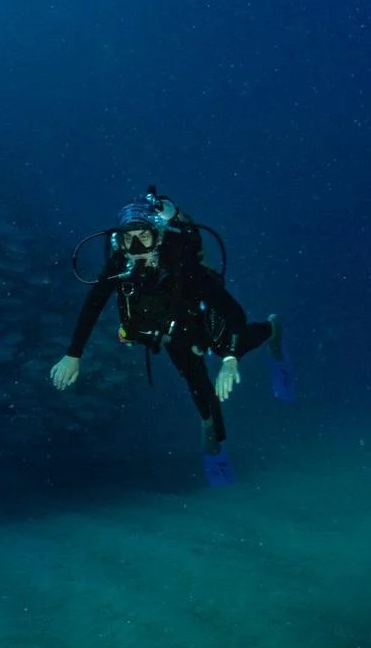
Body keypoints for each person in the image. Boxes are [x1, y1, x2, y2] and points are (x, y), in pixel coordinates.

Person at [50, 189, 288, 484]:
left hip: (201, 320)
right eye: (129, 239)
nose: (137, 246)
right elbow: (93, 306)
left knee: (227, 347)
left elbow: (232, 310)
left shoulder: (181, 264)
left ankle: (271, 330)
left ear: (158, 237)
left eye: (144, 237)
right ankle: (213, 437)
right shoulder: (118, 267)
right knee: (196, 381)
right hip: (170, 333)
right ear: (120, 242)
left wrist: (229, 359)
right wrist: (73, 354)